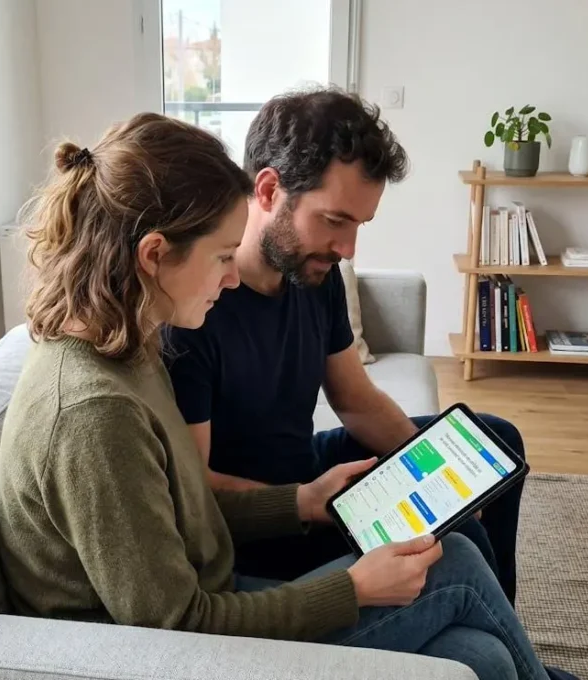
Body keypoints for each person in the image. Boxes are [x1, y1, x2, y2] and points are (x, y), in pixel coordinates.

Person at [0, 112, 552, 680]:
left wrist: (303, 502)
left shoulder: (128, 349)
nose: (231, 278)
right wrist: (352, 589)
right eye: (220, 257)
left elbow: (185, 505)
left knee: (483, 656)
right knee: (454, 565)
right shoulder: (97, 412)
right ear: (155, 255)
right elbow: (174, 627)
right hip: (156, 654)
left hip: (208, 590)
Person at [163, 88, 530, 602]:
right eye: (335, 220)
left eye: (359, 225)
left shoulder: (316, 276)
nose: (348, 249)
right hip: (269, 522)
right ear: (268, 190)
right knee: (451, 539)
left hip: (307, 467)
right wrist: (309, 501)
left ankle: (500, 617)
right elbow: (195, 488)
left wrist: (434, 471)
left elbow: (355, 401)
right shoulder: (193, 309)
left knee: (492, 446)